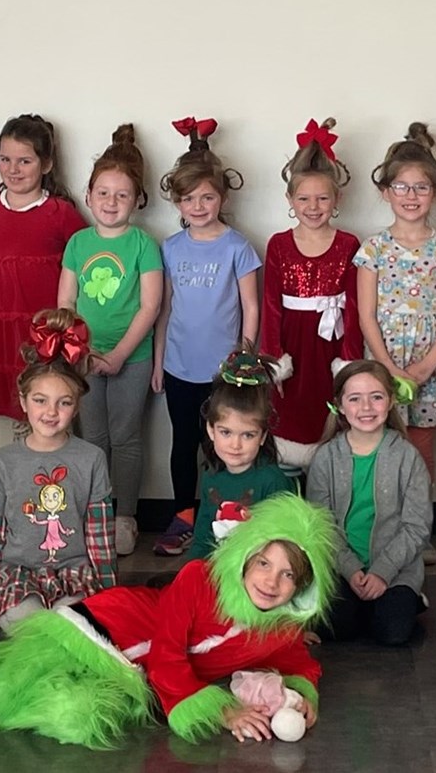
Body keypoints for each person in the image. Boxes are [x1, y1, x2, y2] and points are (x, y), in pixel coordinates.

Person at [0, 495, 340, 750]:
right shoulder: (199, 577)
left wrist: (302, 692)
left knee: (74, 719)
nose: (270, 580)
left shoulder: (281, 628)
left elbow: (298, 661)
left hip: (132, 680)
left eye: (287, 575)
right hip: (99, 631)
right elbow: (171, 653)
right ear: (243, 558)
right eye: (263, 563)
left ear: (302, 588)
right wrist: (219, 709)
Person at [152, 118, 261, 556]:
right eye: (189, 198)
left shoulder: (238, 247)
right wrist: (159, 361)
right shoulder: (171, 248)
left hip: (225, 372)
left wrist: (246, 359)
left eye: (207, 197)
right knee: (183, 445)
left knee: (222, 447)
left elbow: (250, 307)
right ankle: (183, 517)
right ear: (177, 202)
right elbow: (164, 309)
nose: (198, 206)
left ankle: (224, 519)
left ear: (223, 197)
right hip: (180, 366)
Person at [60, 125, 163, 556]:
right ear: (89, 195)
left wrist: (120, 354)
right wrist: (76, 351)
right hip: (83, 358)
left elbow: (150, 306)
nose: (111, 203)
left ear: (137, 199)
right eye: (103, 193)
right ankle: (96, 512)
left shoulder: (144, 244)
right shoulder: (78, 243)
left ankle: (125, 518)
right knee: (91, 438)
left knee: (125, 438)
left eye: (122, 195)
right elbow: (65, 300)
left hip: (131, 358)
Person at [0, 310, 114, 630]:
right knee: (27, 621)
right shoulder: (4, 460)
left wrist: (109, 594)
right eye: (40, 400)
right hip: (18, 574)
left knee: (71, 623)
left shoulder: (92, 458)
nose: (51, 412)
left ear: (77, 406)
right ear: (24, 401)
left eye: (63, 403)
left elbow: (99, 535)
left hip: (74, 575)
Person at [354, 122, 436, 488]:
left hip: (430, 366)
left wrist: (425, 366)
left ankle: (417, 537)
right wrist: (387, 368)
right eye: (401, 186)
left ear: (435, 192)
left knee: (420, 451)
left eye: (421, 187)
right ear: (386, 192)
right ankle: (381, 531)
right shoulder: (373, 249)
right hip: (385, 363)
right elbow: (366, 315)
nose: (411, 195)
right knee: (381, 447)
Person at [0, 114, 88, 421]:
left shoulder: (61, 213)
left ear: (46, 164)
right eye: (5, 159)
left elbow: (87, 270)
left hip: (47, 337)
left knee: (50, 413)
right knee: (12, 416)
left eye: (25, 161)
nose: (13, 169)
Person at [305, 361, 432, 647]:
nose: (366, 407)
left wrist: (382, 572)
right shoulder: (326, 457)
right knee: (335, 629)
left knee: (393, 634)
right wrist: (351, 570)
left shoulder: (407, 457)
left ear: (390, 402)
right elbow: (320, 525)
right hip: (342, 567)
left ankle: (407, 599)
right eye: (355, 398)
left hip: (395, 569)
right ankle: (363, 603)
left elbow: (417, 526)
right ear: (339, 405)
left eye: (376, 397)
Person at [262, 117, 364, 469]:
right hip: (293, 342)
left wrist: (349, 359)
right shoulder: (278, 244)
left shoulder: (349, 244)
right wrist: (274, 357)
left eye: (322, 198)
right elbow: (271, 305)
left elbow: (355, 308)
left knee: (331, 415)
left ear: (337, 198)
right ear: (290, 199)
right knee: (289, 420)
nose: (313, 206)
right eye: (304, 198)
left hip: (330, 346)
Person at [186, 347, 295, 560]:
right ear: (211, 430)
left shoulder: (273, 481)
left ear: (262, 437)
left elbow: (284, 544)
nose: (235, 445)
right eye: (226, 432)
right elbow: (203, 534)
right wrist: (192, 573)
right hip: (218, 570)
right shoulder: (211, 474)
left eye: (247, 435)